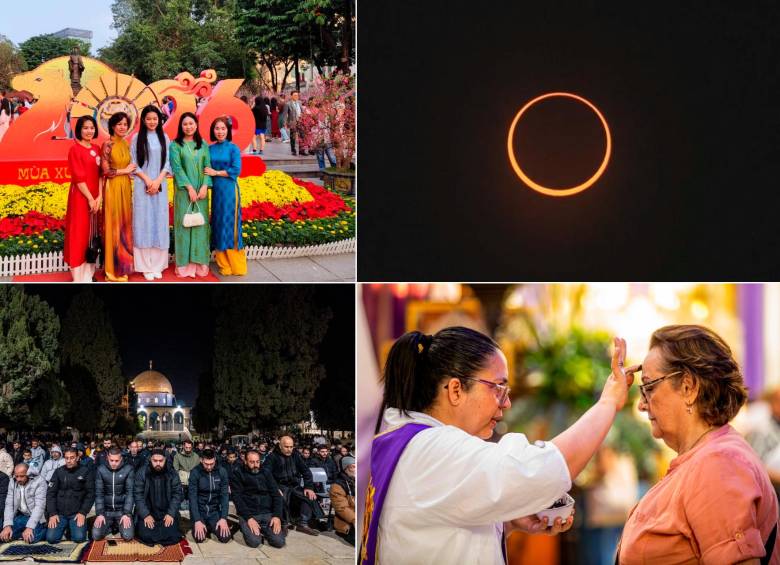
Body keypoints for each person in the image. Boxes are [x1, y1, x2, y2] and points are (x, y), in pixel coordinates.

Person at [363, 327, 635, 565]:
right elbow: (537, 470)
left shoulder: (410, 442)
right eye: (499, 388)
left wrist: (508, 521)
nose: (506, 403)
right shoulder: (433, 449)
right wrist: (609, 402)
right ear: (456, 389)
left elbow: (433, 529)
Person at [617, 325, 780, 563]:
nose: (642, 404)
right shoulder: (707, 457)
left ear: (688, 387)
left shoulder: (718, 464)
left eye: (649, 387)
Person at [169, 112, 212, 278]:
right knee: (184, 226)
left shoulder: (203, 144)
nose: (188, 127)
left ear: (196, 125)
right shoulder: (175, 145)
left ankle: (200, 264)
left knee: (200, 227)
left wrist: (204, 187)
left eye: (191, 123)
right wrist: (189, 188)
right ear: (181, 126)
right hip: (184, 192)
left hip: (201, 193)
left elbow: (208, 167)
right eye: (185, 124)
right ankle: (184, 266)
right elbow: (177, 168)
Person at [131, 105, 171, 280]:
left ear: (160, 120)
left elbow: (168, 162)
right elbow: (133, 162)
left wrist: (158, 180)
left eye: (155, 119)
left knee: (159, 221)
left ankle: (157, 265)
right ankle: (145, 266)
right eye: (148, 119)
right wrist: (148, 180)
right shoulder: (136, 138)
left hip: (160, 186)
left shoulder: (165, 137)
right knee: (143, 222)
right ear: (143, 120)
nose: (152, 122)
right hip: (142, 185)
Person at [205, 117, 245, 276]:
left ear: (228, 130)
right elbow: (204, 167)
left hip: (229, 191)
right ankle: (223, 264)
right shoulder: (209, 149)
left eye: (223, 128)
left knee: (231, 225)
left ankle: (237, 265)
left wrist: (216, 173)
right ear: (213, 131)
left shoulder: (233, 148)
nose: (220, 131)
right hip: (216, 192)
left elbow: (236, 169)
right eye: (217, 129)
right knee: (218, 223)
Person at [64, 115, 102, 282]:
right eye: (85, 128)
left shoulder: (97, 148)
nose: (89, 131)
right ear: (79, 129)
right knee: (79, 233)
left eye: (92, 128)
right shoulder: (75, 149)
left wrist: (99, 196)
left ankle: (89, 273)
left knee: (92, 233)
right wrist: (90, 198)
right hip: (80, 198)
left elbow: (101, 175)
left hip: (95, 197)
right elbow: (78, 178)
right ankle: (78, 275)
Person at [101, 112, 136, 281]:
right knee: (114, 226)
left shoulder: (125, 143)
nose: (123, 127)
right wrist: (125, 171)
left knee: (124, 226)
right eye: (119, 124)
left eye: (125, 124)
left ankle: (123, 267)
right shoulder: (107, 144)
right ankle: (111, 271)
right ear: (112, 126)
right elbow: (106, 171)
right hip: (113, 187)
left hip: (125, 186)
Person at [266, 435, 322, 536]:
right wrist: (275, 488)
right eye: (286, 447)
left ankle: (303, 523)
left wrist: (308, 487)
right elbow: (266, 475)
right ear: (280, 446)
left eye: (291, 447)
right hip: (280, 486)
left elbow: (306, 472)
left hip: (294, 486)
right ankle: (283, 524)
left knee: (309, 496)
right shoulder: (272, 457)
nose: (289, 449)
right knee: (280, 498)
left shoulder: (295, 456)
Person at [230, 450, 285, 548]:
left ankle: (265, 529)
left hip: (267, 513)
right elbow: (237, 499)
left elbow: (276, 495)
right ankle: (246, 526)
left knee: (279, 542)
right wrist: (249, 518)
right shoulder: (238, 474)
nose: (255, 465)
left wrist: (277, 516)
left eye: (257, 462)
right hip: (249, 513)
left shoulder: (266, 472)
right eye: (252, 462)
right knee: (254, 542)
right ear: (245, 461)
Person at [45, 447, 94, 544]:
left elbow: (91, 494)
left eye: (72, 458)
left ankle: (83, 524)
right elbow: (50, 494)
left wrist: (83, 512)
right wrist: (52, 513)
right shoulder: (58, 472)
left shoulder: (85, 471)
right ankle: (67, 527)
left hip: (76, 513)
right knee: (51, 539)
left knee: (79, 538)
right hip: (60, 514)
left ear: (77, 458)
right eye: (66, 458)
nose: (69, 461)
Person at [134, 449, 183, 546]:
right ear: (150, 460)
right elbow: (138, 495)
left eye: (161, 461)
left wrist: (171, 513)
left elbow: (177, 495)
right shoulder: (142, 472)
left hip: (166, 513)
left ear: (165, 460)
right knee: (145, 535)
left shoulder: (172, 473)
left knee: (173, 535)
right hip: (149, 512)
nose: (158, 463)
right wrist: (145, 515)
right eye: (155, 461)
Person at [188, 449, 231, 544]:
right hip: (200, 511)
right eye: (206, 464)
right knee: (200, 538)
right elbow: (192, 498)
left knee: (225, 538)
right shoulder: (195, 472)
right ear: (201, 460)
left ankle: (210, 525)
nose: (209, 467)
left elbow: (225, 496)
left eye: (211, 463)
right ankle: (203, 525)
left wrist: (223, 518)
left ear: (215, 459)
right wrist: (197, 520)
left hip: (214, 511)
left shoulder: (222, 471)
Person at [92, 447, 135, 541]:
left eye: (117, 460)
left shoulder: (128, 469)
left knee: (128, 536)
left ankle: (117, 524)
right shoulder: (101, 469)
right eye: (112, 460)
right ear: (107, 458)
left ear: (121, 459)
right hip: (106, 511)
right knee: (96, 536)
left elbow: (130, 493)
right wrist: (100, 513)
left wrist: (127, 513)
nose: (114, 463)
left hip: (122, 511)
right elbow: (99, 493)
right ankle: (112, 526)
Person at [0, 464, 47, 544]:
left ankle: (45, 528)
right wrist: (7, 525)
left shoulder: (39, 481)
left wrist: (30, 527)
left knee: (31, 539)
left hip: (38, 517)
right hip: (23, 516)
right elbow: (9, 505)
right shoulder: (13, 481)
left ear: (28, 474)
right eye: (17, 476)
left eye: (22, 476)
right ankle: (22, 533)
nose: (18, 479)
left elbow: (39, 507)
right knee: (4, 536)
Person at [331, 455, 355, 545]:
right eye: (352, 467)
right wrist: (355, 519)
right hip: (348, 523)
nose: (356, 469)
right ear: (346, 469)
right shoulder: (337, 485)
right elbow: (341, 508)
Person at [172, 439, 200, 510]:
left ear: (192, 447)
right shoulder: (177, 456)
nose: (188, 449)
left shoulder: (196, 456)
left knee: (192, 501)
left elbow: (198, 469)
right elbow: (175, 469)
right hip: (181, 482)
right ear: (183, 446)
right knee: (181, 502)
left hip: (193, 481)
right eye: (186, 447)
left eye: (189, 447)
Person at [284, 91, 302, 155]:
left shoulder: (300, 103)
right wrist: (285, 123)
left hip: (300, 121)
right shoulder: (288, 104)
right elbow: (285, 114)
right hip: (292, 122)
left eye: (297, 95)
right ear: (291, 96)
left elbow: (302, 111)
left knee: (301, 136)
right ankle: (293, 150)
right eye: (294, 95)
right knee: (293, 137)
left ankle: (301, 150)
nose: (296, 97)